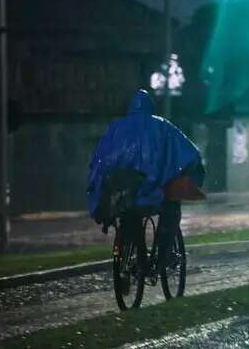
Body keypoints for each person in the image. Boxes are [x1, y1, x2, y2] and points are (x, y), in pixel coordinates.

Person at [86, 89, 204, 263]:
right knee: (171, 210)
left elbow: (100, 159)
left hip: (122, 194)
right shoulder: (162, 126)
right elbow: (188, 152)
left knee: (130, 218)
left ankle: (136, 260)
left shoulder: (115, 127)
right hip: (152, 191)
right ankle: (163, 255)